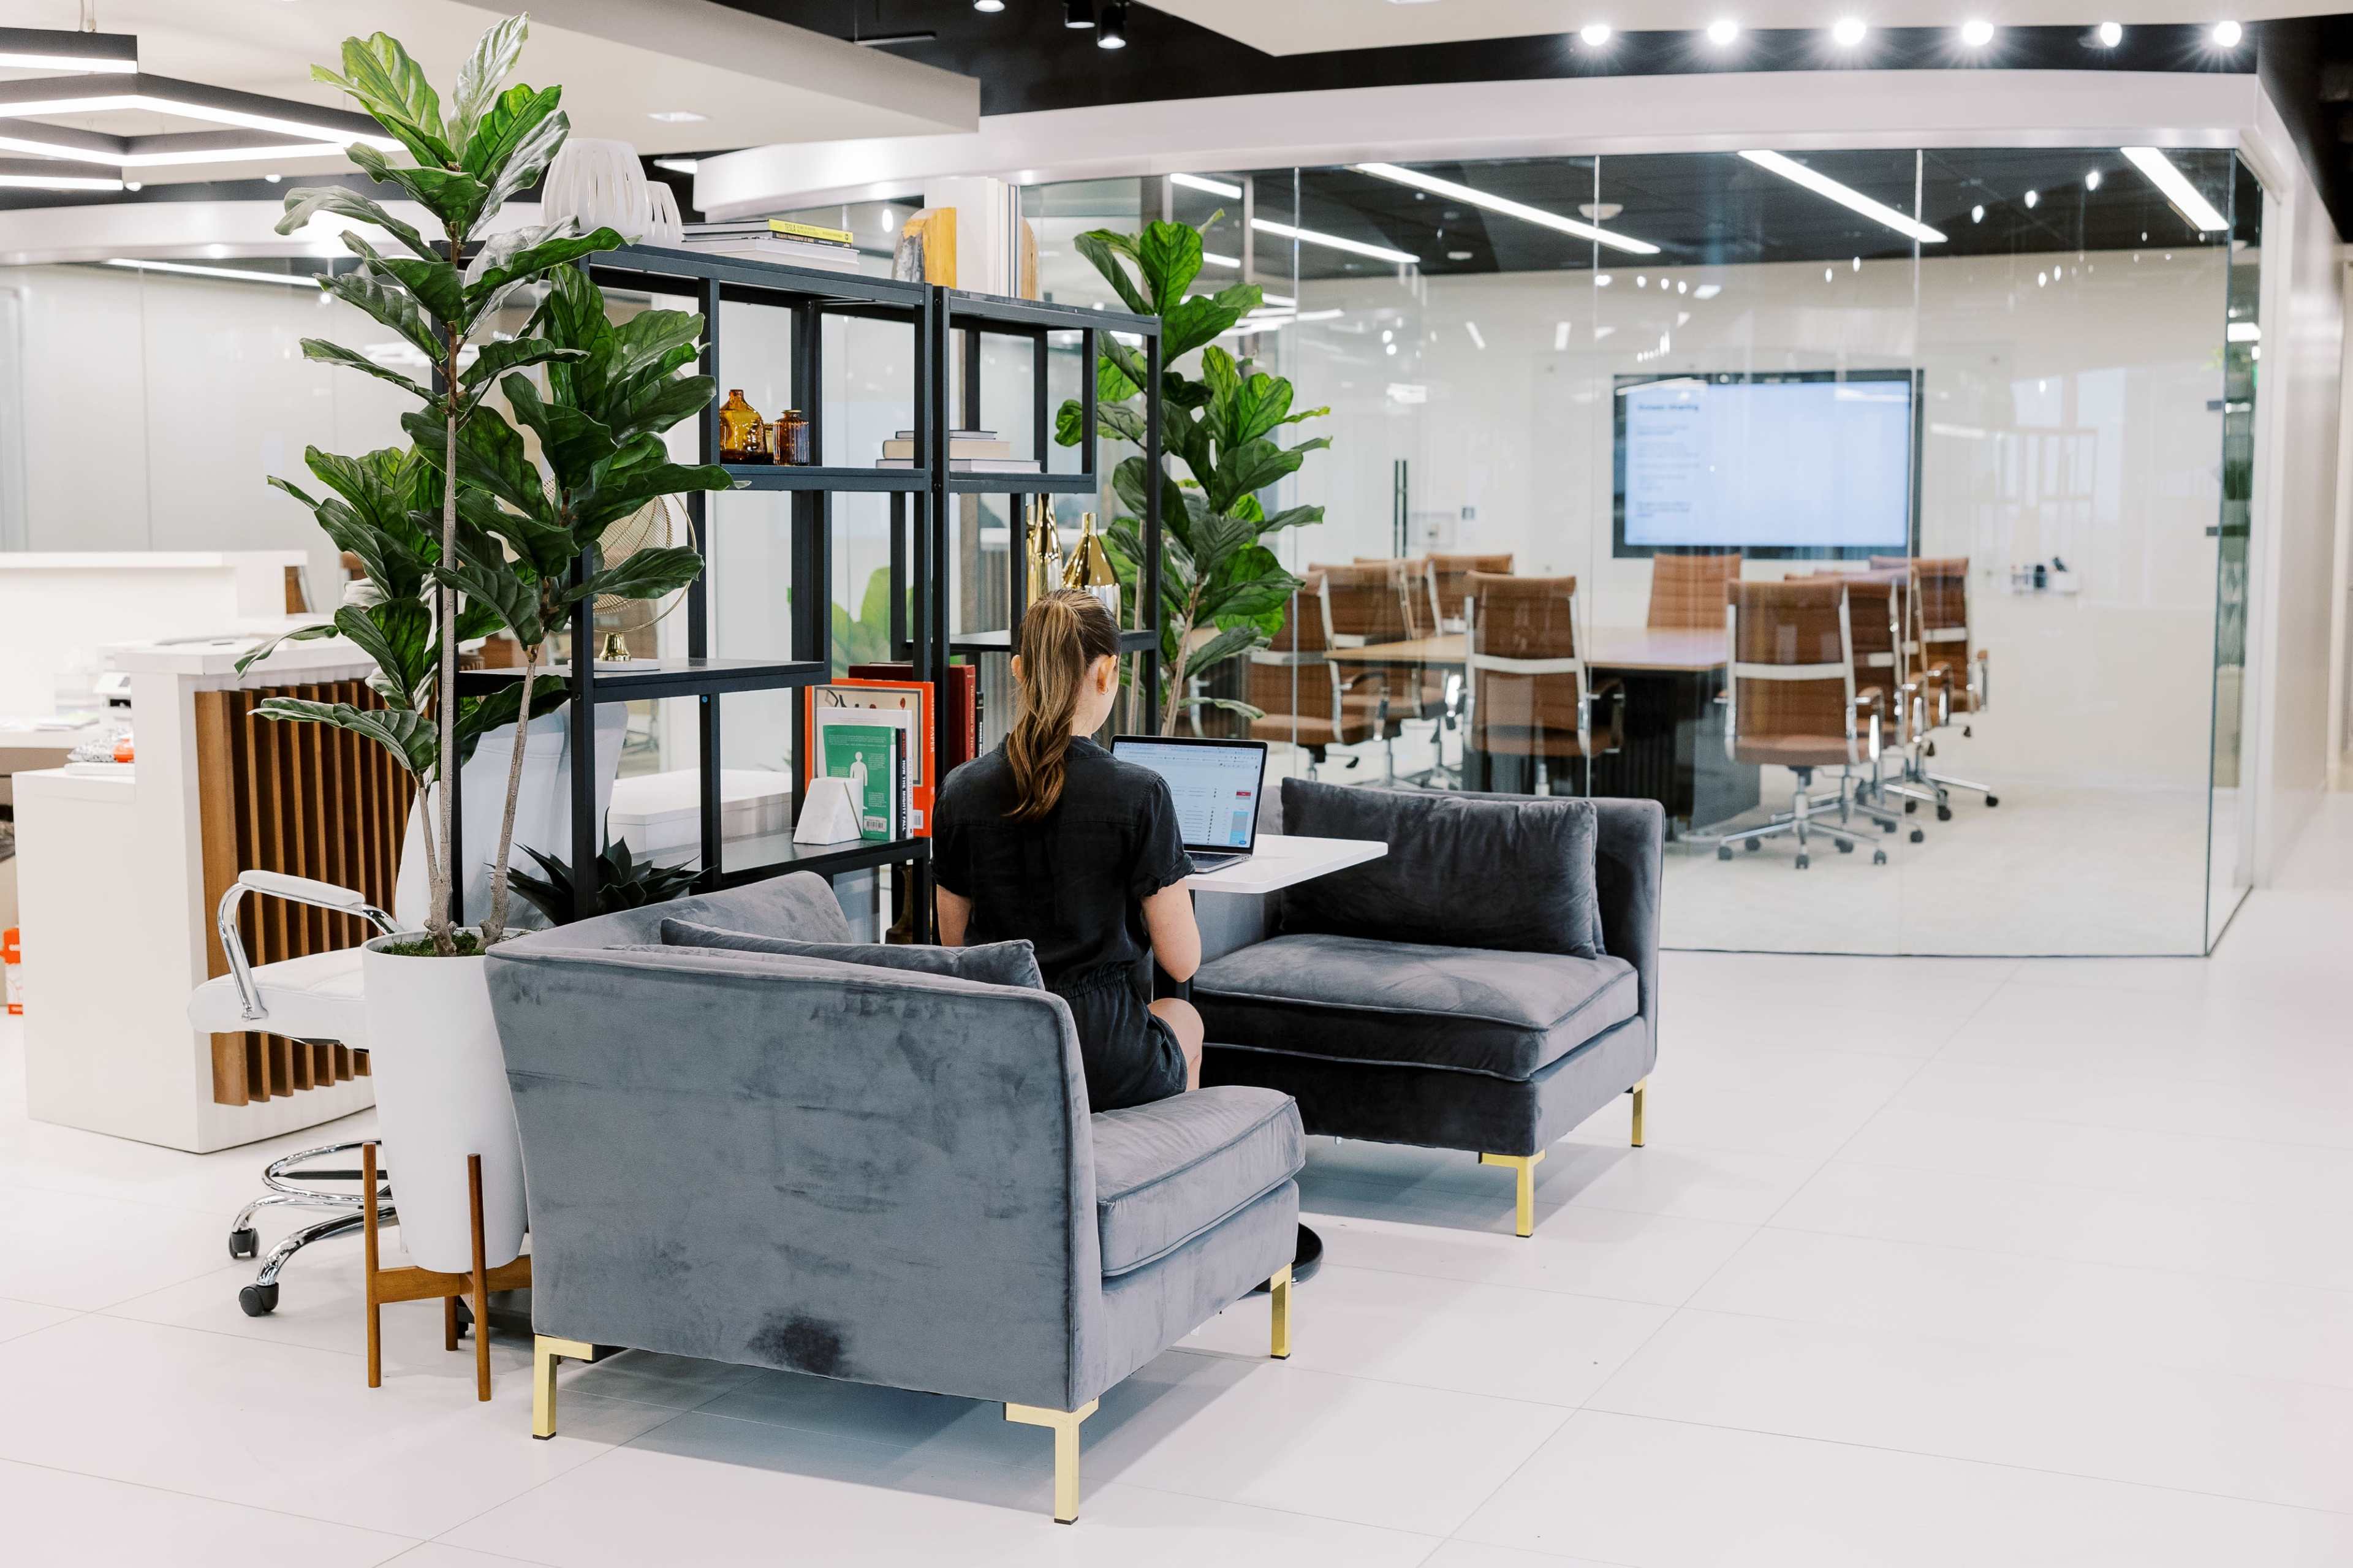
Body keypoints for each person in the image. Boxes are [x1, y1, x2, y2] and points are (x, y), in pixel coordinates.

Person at [933, 589, 1204, 1111]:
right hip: (1103, 1052)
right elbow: (1183, 959)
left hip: (1001, 1047)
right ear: (1106, 673)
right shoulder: (1141, 793)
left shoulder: (960, 790)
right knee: (1184, 1017)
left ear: (1018, 670)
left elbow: (958, 945)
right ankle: (1157, 1171)